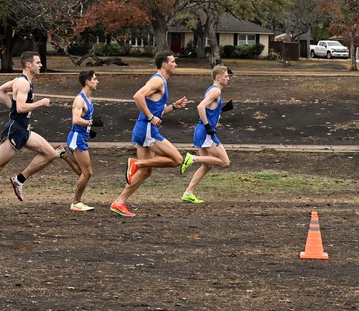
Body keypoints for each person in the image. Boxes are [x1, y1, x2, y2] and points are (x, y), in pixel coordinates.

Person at [0, 52, 57, 218]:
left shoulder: (22, 81)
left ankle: (19, 179)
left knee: (50, 154)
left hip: (22, 128)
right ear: (28, 64)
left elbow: (1, 91)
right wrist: (40, 103)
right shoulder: (22, 83)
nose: (41, 65)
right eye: (38, 62)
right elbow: (20, 108)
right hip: (15, 130)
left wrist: (12, 109)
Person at [110, 50, 191, 217]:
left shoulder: (161, 82)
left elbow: (158, 111)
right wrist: (150, 116)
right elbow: (137, 96)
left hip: (145, 128)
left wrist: (174, 107)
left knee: (146, 171)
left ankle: (119, 202)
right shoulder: (157, 80)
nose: (175, 64)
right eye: (173, 61)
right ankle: (136, 163)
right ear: (164, 64)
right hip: (147, 129)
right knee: (177, 159)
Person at [180, 65, 233, 204]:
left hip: (201, 131)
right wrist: (208, 126)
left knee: (207, 165)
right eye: (226, 76)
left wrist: (222, 109)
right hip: (205, 132)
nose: (228, 78)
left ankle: (188, 193)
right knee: (225, 162)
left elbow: (210, 109)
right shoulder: (215, 91)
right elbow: (200, 107)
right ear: (218, 77)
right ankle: (192, 159)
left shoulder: (212, 90)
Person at [61, 70, 102, 212]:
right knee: (87, 173)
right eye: (95, 79)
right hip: (76, 138)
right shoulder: (80, 99)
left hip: (81, 136)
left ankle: (63, 155)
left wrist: (89, 131)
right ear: (87, 82)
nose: (97, 81)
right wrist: (91, 123)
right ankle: (76, 202)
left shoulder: (88, 99)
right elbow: (76, 120)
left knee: (83, 173)